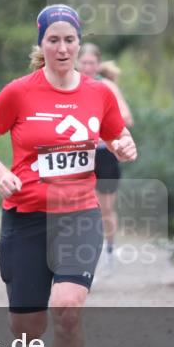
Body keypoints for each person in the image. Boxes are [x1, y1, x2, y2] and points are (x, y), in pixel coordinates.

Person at [0, 4, 137, 347]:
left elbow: (117, 135)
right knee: (27, 330)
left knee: (67, 309)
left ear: (79, 44)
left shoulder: (99, 93)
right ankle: (29, 320)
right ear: (41, 45)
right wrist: (0, 173)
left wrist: (124, 146)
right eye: (53, 40)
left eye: (69, 40)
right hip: (25, 217)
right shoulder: (18, 93)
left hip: (79, 214)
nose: (62, 48)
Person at [77, 44, 134, 274]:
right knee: (80, 206)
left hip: (105, 153)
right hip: (80, 153)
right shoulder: (70, 84)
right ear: (77, 63)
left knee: (105, 209)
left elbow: (127, 118)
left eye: (92, 63)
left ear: (98, 65)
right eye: (84, 63)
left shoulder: (106, 86)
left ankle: (109, 251)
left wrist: (102, 123)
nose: (88, 67)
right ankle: (84, 252)